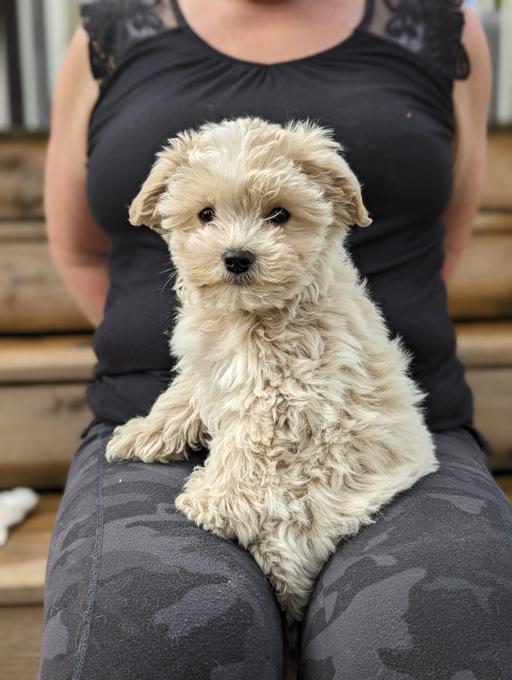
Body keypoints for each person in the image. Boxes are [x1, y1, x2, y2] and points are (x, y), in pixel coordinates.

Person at [39, 1, 512, 678]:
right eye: (206, 217)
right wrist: (206, 382)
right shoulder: (112, 25)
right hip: (137, 416)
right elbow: (80, 251)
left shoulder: (440, 23)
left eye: (275, 216)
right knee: (154, 641)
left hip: (391, 441)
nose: (237, 247)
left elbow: (448, 236)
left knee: (432, 633)